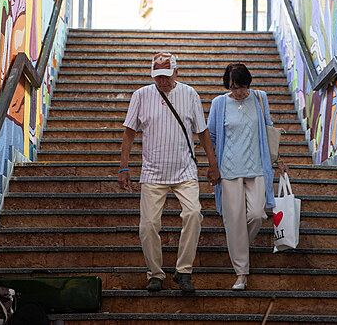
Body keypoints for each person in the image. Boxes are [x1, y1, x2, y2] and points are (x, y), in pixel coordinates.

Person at [118, 52, 220, 294]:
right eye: (158, 77)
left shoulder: (190, 94)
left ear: (176, 72)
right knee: (148, 226)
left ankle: (183, 271)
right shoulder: (141, 95)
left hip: (185, 171)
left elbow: (202, 131)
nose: (162, 81)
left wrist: (212, 164)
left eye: (166, 76)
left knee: (194, 214)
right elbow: (129, 132)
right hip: (153, 173)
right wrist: (124, 166)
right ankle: (155, 274)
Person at [207, 63, 289, 290]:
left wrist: (278, 160)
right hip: (229, 171)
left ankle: (238, 245)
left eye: (241, 87)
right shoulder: (219, 104)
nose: (237, 92)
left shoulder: (260, 98)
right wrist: (212, 166)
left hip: (257, 168)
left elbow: (269, 132)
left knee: (256, 214)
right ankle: (241, 274)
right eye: (233, 87)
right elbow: (211, 136)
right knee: (234, 220)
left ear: (248, 83)